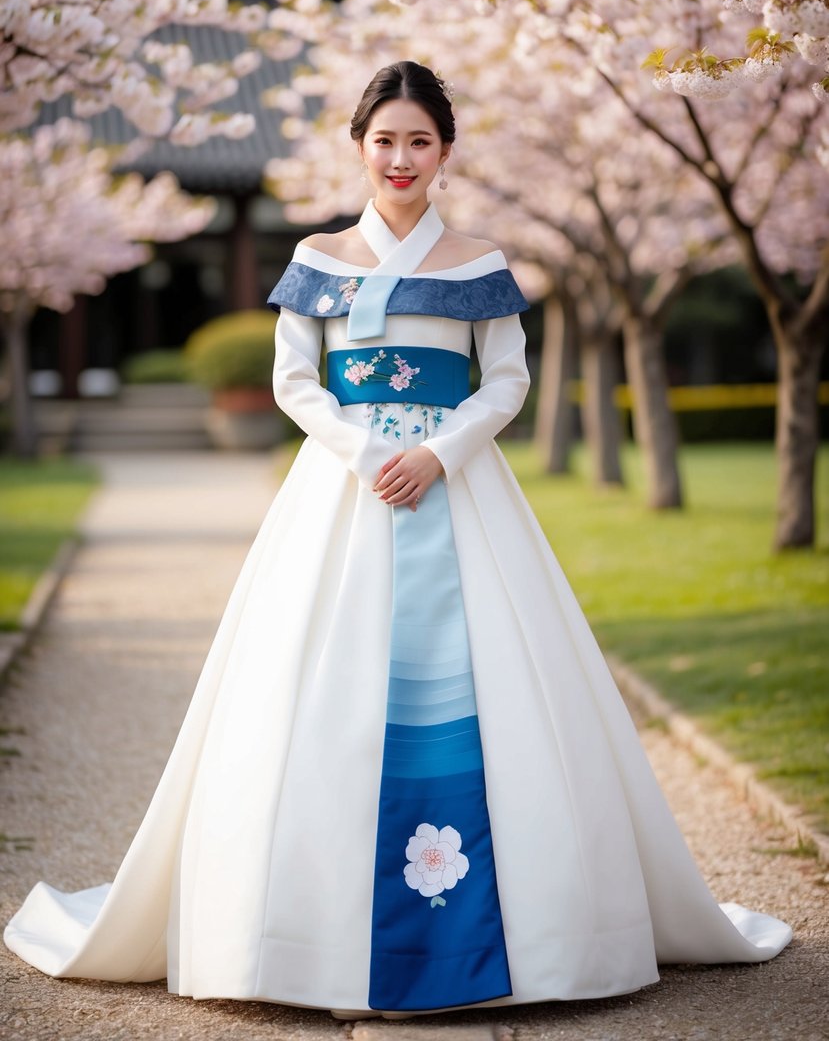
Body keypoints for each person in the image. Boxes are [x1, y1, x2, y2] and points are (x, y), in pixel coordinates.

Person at [4, 60, 791, 1017]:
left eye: (420, 140)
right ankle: (311, 938)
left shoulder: (480, 263)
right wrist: (368, 449)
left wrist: (443, 454)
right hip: (346, 489)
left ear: (447, 151)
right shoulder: (319, 257)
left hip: (458, 491)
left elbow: (506, 381)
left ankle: (523, 935)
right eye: (385, 139)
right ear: (359, 147)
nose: (402, 157)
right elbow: (297, 382)